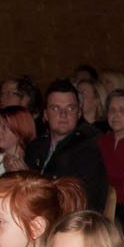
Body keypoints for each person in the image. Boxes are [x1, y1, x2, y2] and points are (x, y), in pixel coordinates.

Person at [34, 82, 109, 211]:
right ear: (45, 114)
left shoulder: (89, 149)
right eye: (55, 108)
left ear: (79, 113)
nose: (63, 114)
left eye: (70, 108)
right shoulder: (35, 146)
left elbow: (82, 201)